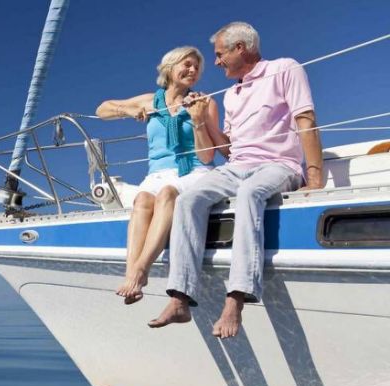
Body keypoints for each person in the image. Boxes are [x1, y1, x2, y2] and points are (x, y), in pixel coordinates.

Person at [148, 22, 324, 338]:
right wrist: (199, 119)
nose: (215, 63)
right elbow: (228, 149)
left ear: (239, 48)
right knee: (188, 200)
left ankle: (236, 299)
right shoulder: (231, 94)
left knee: (250, 194)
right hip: (237, 166)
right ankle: (180, 298)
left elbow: (305, 119)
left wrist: (314, 178)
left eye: (219, 54)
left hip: (277, 164)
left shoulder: (284, 68)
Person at [96, 46, 226, 304]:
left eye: (197, 67)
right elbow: (102, 109)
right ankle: (131, 273)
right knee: (143, 200)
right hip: (157, 172)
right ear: (170, 68)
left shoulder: (204, 102)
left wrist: (198, 119)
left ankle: (140, 271)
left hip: (193, 170)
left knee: (167, 194)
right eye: (187, 64)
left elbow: (208, 157)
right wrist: (128, 111)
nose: (193, 70)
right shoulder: (149, 101)